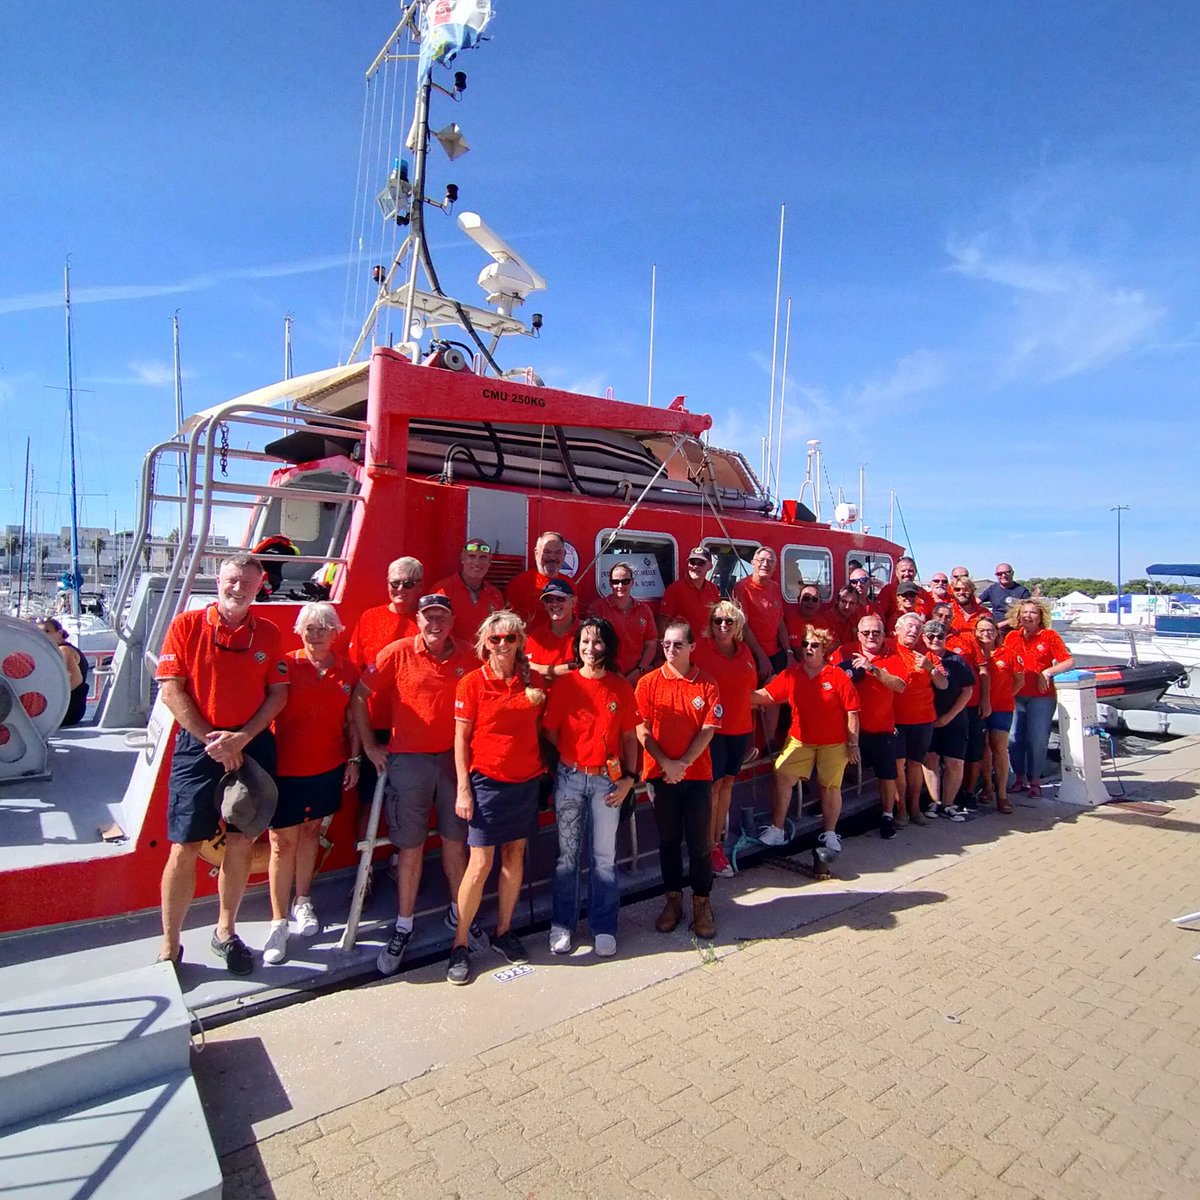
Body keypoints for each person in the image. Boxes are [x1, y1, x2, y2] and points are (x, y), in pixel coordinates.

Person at [155, 554, 289, 973]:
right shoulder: (186, 626)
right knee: (184, 846)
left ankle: (225, 932)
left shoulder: (268, 633)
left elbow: (278, 694)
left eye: (247, 582)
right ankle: (169, 946)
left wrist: (242, 738)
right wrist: (214, 740)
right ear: (219, 580)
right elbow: (171, 691)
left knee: (241, 840)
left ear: (260, 585)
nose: (239, 588)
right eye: (233, 580)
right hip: (200, 746)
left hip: (249, 744)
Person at [353, 592, 486, 976]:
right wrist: (368, 746)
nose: (434, 623)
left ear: (452, 619)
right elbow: (360, 696)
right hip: (408, 763)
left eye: (441, 616)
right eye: (428, 617)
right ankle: (404, 924)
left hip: (452, 762)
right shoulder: (396, 652)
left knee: (455, 842)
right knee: (409, 847)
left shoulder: (467, 654)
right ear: (418, 620)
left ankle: (459, 914)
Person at [448, 611, 547, 985]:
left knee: (514, 856)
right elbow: (460, 740)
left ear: (519, 640)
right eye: (494, 640)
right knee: (480, 863)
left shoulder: (530, 680)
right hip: (486, 781)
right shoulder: (471, 684)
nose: (502, 645)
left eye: (509, 638)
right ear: (484, 644)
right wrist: (464, 788)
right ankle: (459, 943)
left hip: (526, 781)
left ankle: (504, 932)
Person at [263, 603, 360, 965]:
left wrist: (353, 760)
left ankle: (302, 901)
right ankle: (278, 921)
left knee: (310, 835)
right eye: (309, 628)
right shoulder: (284, 665)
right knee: (280, 843)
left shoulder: (348, 670)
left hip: (327, 767)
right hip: (284, 770)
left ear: (336, 632)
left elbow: (353, 720)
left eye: (323, 628)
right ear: (299, 632)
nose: (316, 635)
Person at [542, 617, 639, 957]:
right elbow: (552, 732)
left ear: (608, 646)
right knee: (567, 858)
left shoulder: (620, 687)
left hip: (607, 783)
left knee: (603, 858)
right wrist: (572, 758)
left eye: (597, 642)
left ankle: (603, 925)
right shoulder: (565, 685)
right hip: (570, 779)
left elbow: (629, 737)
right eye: (584, 641)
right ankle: (562, 925)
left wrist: (630, 779)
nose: (589, 648)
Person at [636, 621, 722, 939]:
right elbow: (641, 729)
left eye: (677, 645)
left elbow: (708, 729)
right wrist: (666, 764)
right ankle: (673, 901)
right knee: (668, 843)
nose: (671, 650)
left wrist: (683, 763)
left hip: (697, 776)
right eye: (666, 644)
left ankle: (702, 903)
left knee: (700, 845)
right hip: (659, 777)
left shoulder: (708, 684)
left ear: (691, 647)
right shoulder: (647, 683)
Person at [754, 625, 860, 861]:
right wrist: (736, 696)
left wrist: (853, 745)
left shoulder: (838, 677)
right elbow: (767, 696)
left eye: (814, 645)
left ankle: (830, 833)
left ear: (825, 649)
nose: (808, 649)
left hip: (834, 742)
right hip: (800, 740)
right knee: (781, 773)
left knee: (830, 787)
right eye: (805, 645)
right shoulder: (792, 674)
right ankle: (777, 829)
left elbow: (852, 713)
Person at [347, 556, 424, 821]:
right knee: (368, 803)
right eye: (395, 583)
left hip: (413, 731)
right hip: (374, 725)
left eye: (409, 583)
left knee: (411, 805)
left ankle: (400, 861)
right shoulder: (370, 618)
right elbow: (355, 672)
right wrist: (362, 743)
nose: (401, 589)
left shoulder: (428, 622)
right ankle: (365, 862)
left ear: (420, 586)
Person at [693, 600, 758, 877]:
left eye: (729, 621)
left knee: (728, 785)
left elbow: (751, 690)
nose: (722, 625)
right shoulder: (700, 651)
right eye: (717, 620)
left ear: (738, 625)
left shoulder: (744, 652)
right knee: (713, 788)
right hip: (712, 732)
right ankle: (707, 848)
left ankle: (716, 841)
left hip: (739, 729)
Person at [838, 615, 907, 839]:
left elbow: (900, 686)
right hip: (847, 728)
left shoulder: (893, 656)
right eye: (866, 633)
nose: (871, 637)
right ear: (858, 635)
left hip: (881, 728)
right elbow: (828, 675)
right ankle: (829, 811)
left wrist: (873, 670)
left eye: (876, 633)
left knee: (887, 774)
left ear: (884, 634)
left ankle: (887, 815)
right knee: (834, 770)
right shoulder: (845, 650)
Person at [1005, 599, 1073, 797]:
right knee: (1014, 739)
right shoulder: (1012, 637)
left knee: (1037, 739)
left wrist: (1048, 672)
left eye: (1033, 612)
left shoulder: (1049, 636)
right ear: (1018, 616)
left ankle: (1035, 780)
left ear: (1040, 616)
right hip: (1016, 695)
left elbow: (1068, 661)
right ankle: (1019, 777)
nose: (1028, 616)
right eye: (1024, 612)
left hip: (1041, 696)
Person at [891, 613, 948, 826]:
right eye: (909, 627)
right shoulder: (888, 649)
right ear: (897, 629)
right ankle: (901, 810)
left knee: (915, 765)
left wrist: (930, 668)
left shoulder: (928, 655)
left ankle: (915, 809)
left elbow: (943, 684)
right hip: (896, 718)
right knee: (897, 766)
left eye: (917, 628)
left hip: (923, 719)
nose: (913, 631)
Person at [920, 620, 976, 821]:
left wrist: (948, 717)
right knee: (930, 760)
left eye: (940, 636)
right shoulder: (918, 658)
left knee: (955, 763)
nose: (935, 640)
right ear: (924, 637)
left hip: (954, 718)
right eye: (930, 636)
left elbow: (967, 690)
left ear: (946, 638)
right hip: (926, 719)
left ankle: (949, 803)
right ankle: (935, 802)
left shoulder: (957, 661)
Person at [975, 615, 1024, 813]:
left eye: (990, 630)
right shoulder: (974, 654)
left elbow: (1019, 680)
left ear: (996, 633)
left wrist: (1006, 695)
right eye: (982, 630)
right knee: (983, 748)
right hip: (978, 707)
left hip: (1002, 708)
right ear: (976, 633)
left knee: (999, 748)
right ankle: (987, 785)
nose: (986, 634)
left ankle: (1002, 795)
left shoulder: (1009, 654)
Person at [590, 561, 657, 685]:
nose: (620, 586)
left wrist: (640, 669)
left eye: (625, 581)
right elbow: (592, 645)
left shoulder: (644, 610)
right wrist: (614, 672)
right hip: (607, 675)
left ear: (632, 582)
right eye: (615, 582)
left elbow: (651, 643)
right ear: (610, 583)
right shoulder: (598, 608)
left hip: (637, 677)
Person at [733, 546, 791, 680]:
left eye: (770, 561)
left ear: (775, 567)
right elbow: (743, 626)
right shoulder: (742, 587)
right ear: (753, 563)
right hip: (754, 655)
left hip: (775, 653)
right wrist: (762, 659)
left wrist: (789, 654)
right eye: (761, 560)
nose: (765, 564)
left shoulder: (775, 588)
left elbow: (780, 623)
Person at [432, 538, 505, 640]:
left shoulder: (495, 595)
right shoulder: (442, 591)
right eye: (472, 556)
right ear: (463, 559)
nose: (477, 562)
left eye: (482, 557)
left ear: (489, 562)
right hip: (455, 655)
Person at [505, 530, 567, 625]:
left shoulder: (569, 584)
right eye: (547, 551)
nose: (552, 557)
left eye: (558, 552)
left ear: (564, 554)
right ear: (536, 553)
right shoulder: (518, 584)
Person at [525, 579, 580, 684]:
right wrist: (566, 668)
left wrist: (543, 671)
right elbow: (527, 667)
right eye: (549, 599)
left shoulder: (586, 633)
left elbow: (586, 668)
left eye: (560, 599)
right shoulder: (536, 636)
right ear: (545, 605)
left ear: (573, 602)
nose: (554, 604)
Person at [659, 547, 720, 638]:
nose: (695, 566)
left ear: (710, 566)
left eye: (701, 563)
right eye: (692, 562)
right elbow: (661, 624)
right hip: (684, 648)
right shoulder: (675, 589)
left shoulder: (713, 589)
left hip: (707, 646)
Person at [37, 618, 88, 726]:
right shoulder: (56, 651)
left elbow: (74, 680)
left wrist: (47, 700)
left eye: (47, 631)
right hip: (65, 709)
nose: (43, 636)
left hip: (67, 710)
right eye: (39, 632)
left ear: (59, 633)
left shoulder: (64, 651)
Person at [979, 564, 1031, 630]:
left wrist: (999, 625)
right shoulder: (992, 589)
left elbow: (1024, 614)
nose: (1003, 575)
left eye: (1007, 572)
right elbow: (975, 602)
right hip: (995, 630)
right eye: (999, 574)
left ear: (1012, 573)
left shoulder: (1022, 592)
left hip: (1014, 629)